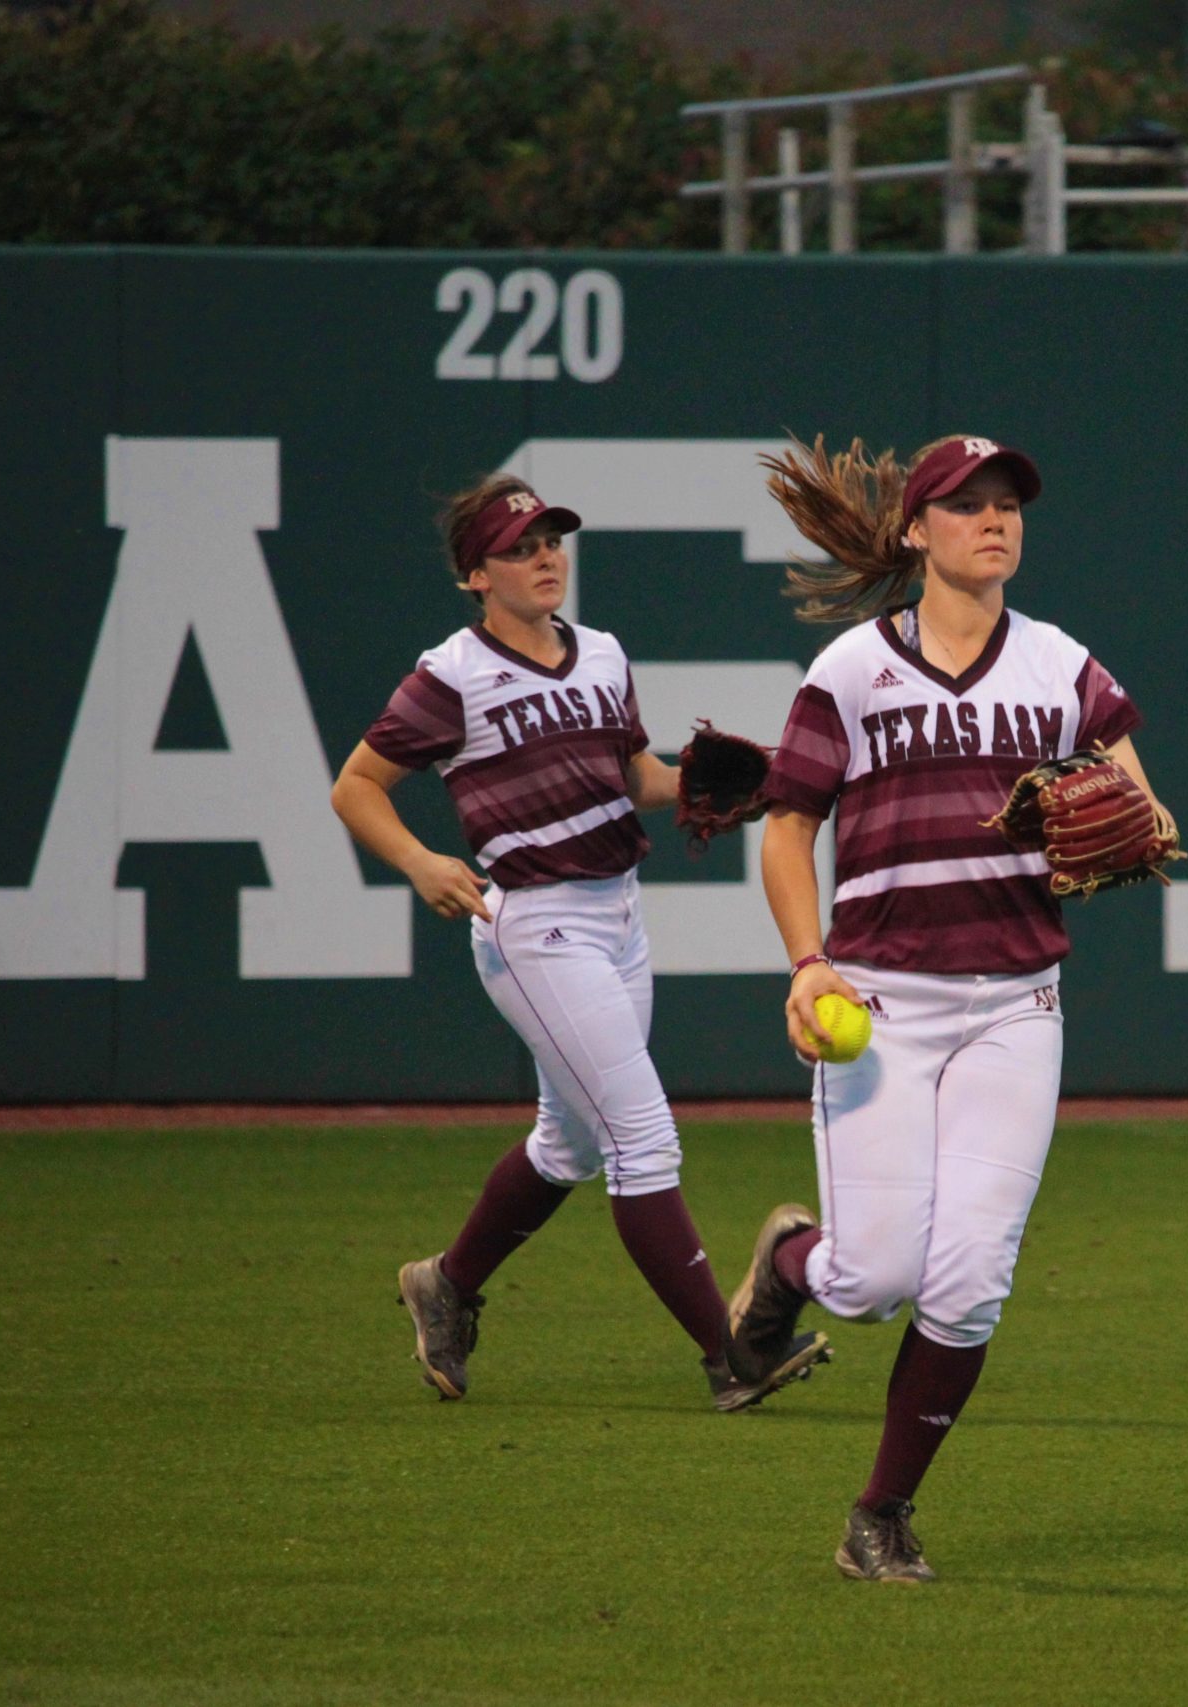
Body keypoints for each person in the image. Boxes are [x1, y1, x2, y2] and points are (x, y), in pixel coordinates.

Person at [717, 434, 1165, 1582]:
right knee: (869, 1280)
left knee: (968, 1278)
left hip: (1016, 1005)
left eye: (1007, 502)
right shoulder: (852, 671)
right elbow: (787, 829)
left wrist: (1130, 825)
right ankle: (786, 1270)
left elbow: (1142, 810)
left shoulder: (1060, 664)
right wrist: (806, 962)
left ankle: (881, 1514)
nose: (993, 520)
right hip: (880, 1002)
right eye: (965, 505)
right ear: (916, 532)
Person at [329, 474, 830, 1413]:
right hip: (534, 924)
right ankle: (729, 1356)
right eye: (519, 547)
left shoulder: (600, 653)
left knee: (568, 1140)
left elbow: (633, 773)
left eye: (552, 539)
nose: (545, 556)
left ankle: (446, 1281)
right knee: (642, 1135)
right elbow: (356, 784)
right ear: (475, 573)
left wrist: (719, 785)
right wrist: (419, 861)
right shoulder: (453, 675)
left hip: (618, 912)